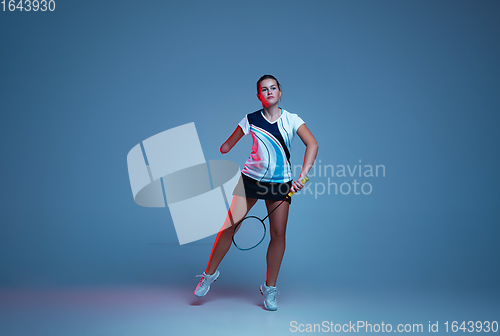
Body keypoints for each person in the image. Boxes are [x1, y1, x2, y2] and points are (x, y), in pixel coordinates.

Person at [194, 74, 318, 311]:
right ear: (259, 96)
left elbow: (313, 144)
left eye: (273, 88)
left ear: (280, 93)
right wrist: (225, 147)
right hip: (250, 180)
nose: (269, 91)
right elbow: (228, 144)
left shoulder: (292, 120)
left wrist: (302, 177)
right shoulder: (250, 119)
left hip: (280, 184)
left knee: (279, 234)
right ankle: (208, 275)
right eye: (264, 89)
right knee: (229, 226)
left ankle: (269, 288)